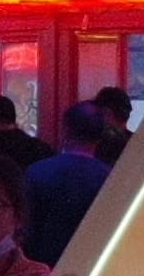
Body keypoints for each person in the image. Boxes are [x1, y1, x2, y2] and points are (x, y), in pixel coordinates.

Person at [18, 89, 125, 264]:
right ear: (101, 135)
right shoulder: (110, 178)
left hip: (43, 264)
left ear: (65, 131)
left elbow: (27, 226)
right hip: (91, 263)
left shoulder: (37, 172)